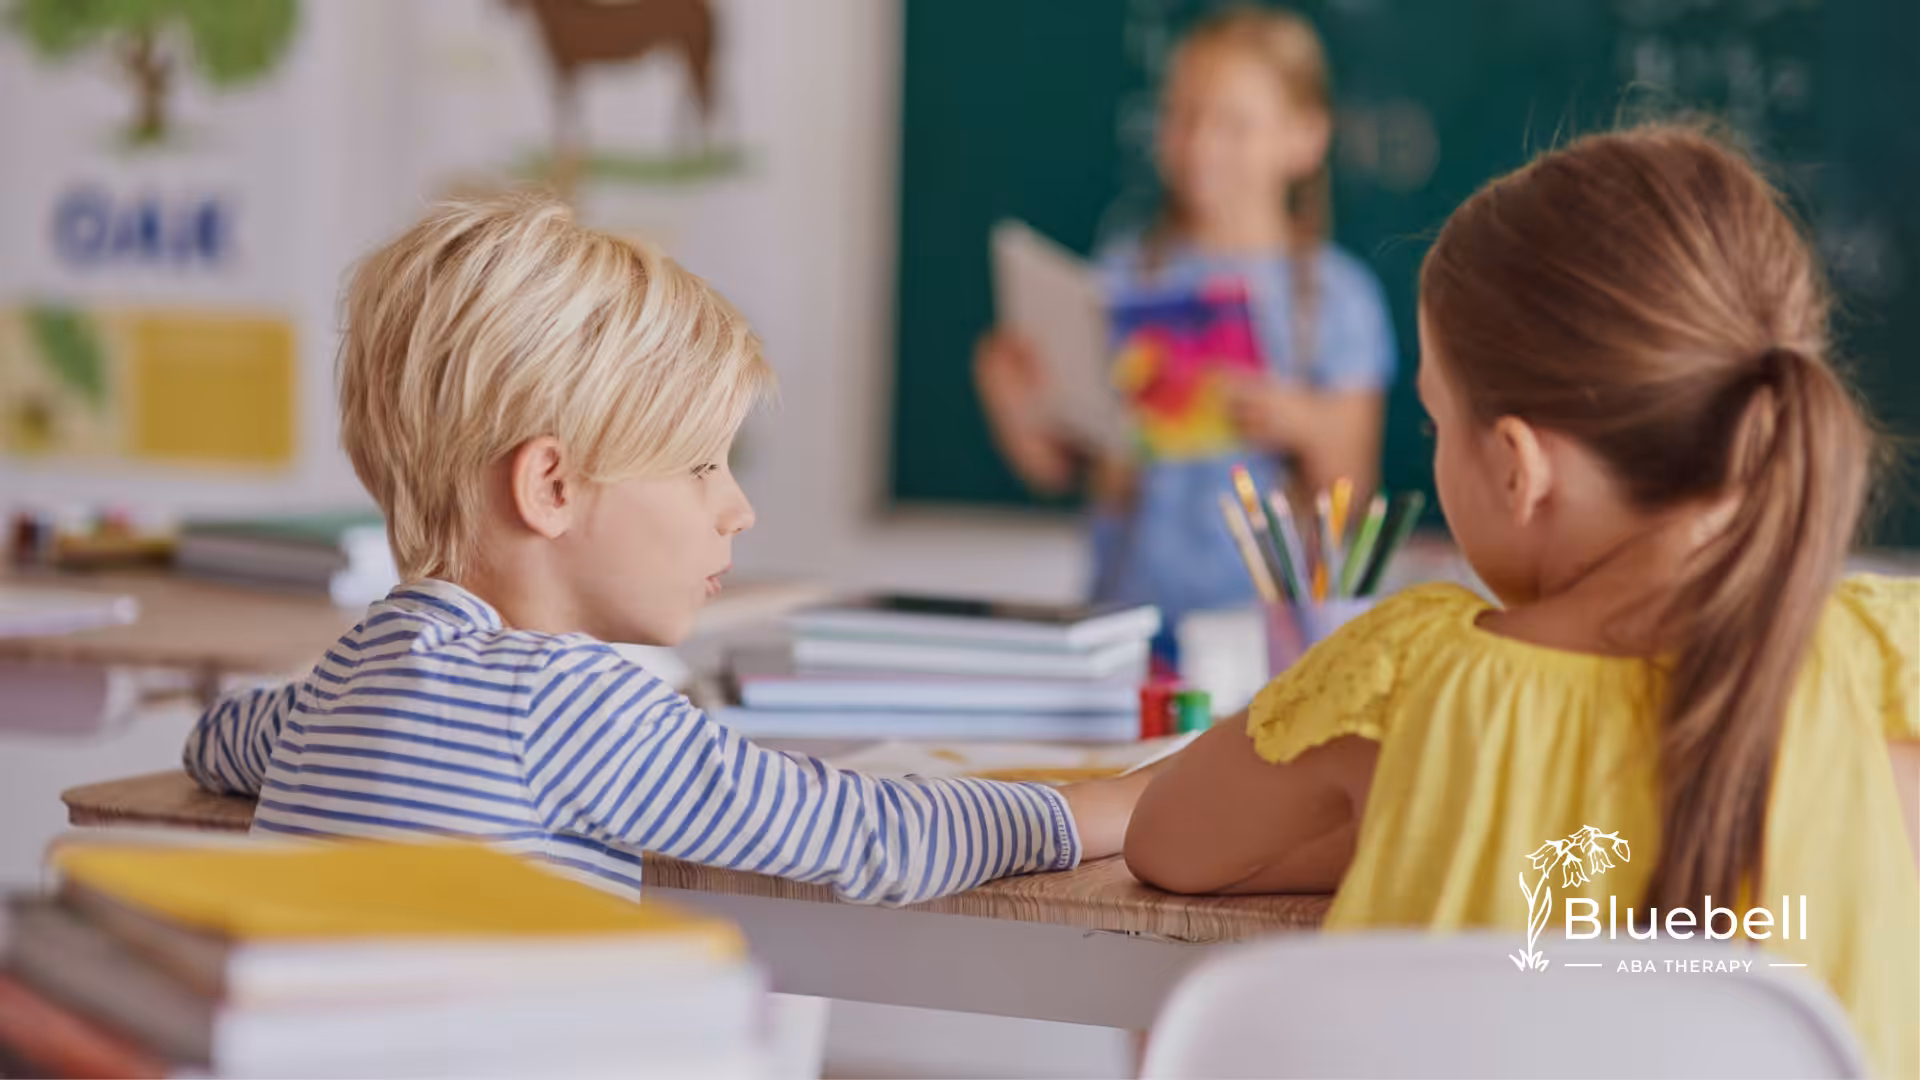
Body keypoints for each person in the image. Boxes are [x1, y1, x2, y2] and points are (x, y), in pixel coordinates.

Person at [1122, 124, 1918, 1077]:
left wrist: (1398, 817)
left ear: (1515, 466)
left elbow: (1169, 844)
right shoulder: (1885, 667)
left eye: (1435, 421)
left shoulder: (1411, 680)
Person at [184, 191, 1148, 905]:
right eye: (699, 466)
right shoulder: (569, 705)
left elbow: (216, 742)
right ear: (551, 487)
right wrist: (1109, 808)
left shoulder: (345, 678)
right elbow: (874, 834)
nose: (738, 510)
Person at [976, 7, 1396, 650]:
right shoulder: (1124, 273)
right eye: (1181, 115)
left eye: (1234, 123)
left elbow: (1352, 490)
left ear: (1305, 137)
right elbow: (1058, 469)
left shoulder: (1336, 297)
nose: (1200, 143)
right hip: (1127, 623)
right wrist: (1013, 397)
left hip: (1271, 640)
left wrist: (1297, 419)